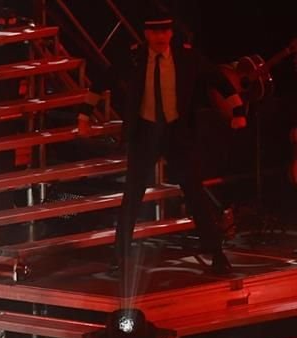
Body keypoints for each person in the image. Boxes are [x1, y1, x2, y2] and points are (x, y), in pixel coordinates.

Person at [78, 10, 246, 276]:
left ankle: (216, 253)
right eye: (155, 32)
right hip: (145, 131)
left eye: (165, 31)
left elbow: (217, 78)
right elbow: (102, 81)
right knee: (132, 196)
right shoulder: (134, 57)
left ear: (171, 33)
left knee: (194, 192)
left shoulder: (186, 56)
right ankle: (119, 257)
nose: (160, 37)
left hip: (176, 131)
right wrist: (84, 115)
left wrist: (238, 111)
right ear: (146, 34)